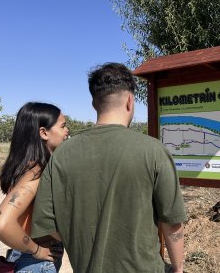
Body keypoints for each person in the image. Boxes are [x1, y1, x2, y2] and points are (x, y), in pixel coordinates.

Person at [31, 62, 187, 272]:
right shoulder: (154, 151)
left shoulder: (61, 156)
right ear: (130, 101)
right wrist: (178, 268)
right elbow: (172, 223)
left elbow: (47, 228)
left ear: (94, 104)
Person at [0, 102, 69, 272]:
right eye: (63, 126)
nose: (67, 131)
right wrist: (37, 250)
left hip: (25, 258)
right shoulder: (36, 172)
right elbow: (0, 225)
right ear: (44, 132)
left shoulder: (25, 166)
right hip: (34, 262)